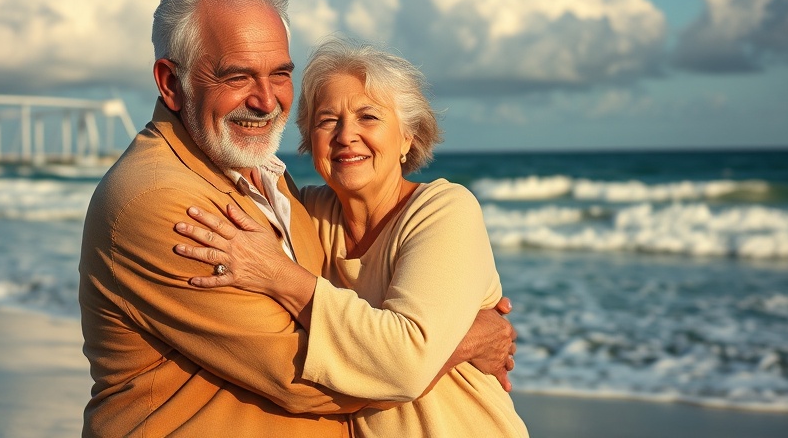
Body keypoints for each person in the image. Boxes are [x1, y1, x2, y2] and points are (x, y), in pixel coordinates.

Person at [79, 0, 516, 437]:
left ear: (410, 134)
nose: (266, 101)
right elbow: (302, 375)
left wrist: (422, 345)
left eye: (280, 74)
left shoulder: (283, 195)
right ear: (170, 83)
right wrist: (464, 339)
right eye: (238, 76)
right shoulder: (167, 200)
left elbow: (372, 347)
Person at [173, 37, 529, 437]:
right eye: (327, 121)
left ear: (408, 136)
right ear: (310, 140)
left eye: (369, 117)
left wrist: (277, 274)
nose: (346, 135)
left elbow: (404, 366)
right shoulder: (304, 216)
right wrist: (466, 340)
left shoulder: (444, 210)